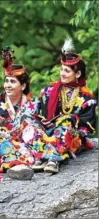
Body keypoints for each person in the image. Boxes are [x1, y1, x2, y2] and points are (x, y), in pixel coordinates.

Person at [34, 39, 97, 173]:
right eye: (62, 69)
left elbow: (86, 127)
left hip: (70, 135)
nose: (62, 73)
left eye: (67, 71)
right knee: (28, 122)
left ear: (78, 74)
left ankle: (53, 159)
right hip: (48, 130)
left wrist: (70, 121)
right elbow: (37, 110)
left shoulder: (86, 97)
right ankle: (43, 155)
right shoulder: (49, 90)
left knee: (67, 120)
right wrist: (42, 120)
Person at [0, 46, 41, 177]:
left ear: (23, 86)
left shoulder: (34, 104)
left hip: (27, 145)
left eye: (12, 82)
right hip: (3, 146)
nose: (7, 85)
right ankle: (14, 164)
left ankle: (32, 160)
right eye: (6, 81)